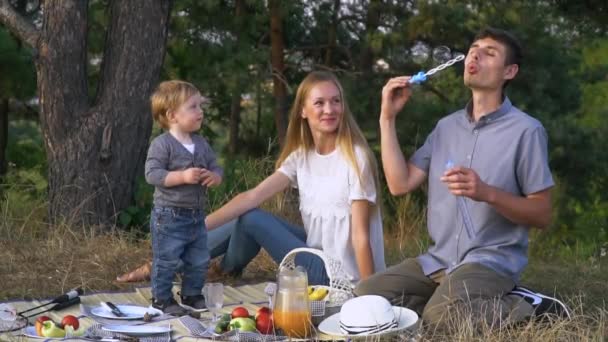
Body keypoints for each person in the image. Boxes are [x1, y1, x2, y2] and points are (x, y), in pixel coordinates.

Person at [354, 27, 570, 327]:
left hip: (490, 262)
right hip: (439, 261)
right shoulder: (445, 127)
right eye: (473, 49)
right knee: (367, 297)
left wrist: (486, 192)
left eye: (489, 52)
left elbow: (543, 214)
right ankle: (450, 302)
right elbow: (399, 184)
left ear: (510, 71)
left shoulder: (526, 131)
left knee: (441, 317)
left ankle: (531, 307)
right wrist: (387, 117)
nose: (475, 55)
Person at [118, 71, 386, 287]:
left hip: (339, 277)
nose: (330, 109)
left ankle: (200, 267)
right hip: (316, 250)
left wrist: (369, 296)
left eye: (336, 101)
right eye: (319, 102)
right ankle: (217, 269)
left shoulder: (355, 158)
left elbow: (361, 237)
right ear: (303, 111)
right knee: (246, 213)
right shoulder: (301, 157)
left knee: (252, 218)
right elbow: (252, 197)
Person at [145, 80, 223, 315]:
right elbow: (152, 174)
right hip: (169, 216)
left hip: (196, 216)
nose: (201, 112)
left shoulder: (200, 143)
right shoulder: (162, 145)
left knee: (199, 259)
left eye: (200, 106)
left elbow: (215, 166)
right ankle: (160, 299)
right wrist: (182, 176)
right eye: (193, 107)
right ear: (172, 115)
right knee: (166, 260)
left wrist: (215, 177)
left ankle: (191, 294)